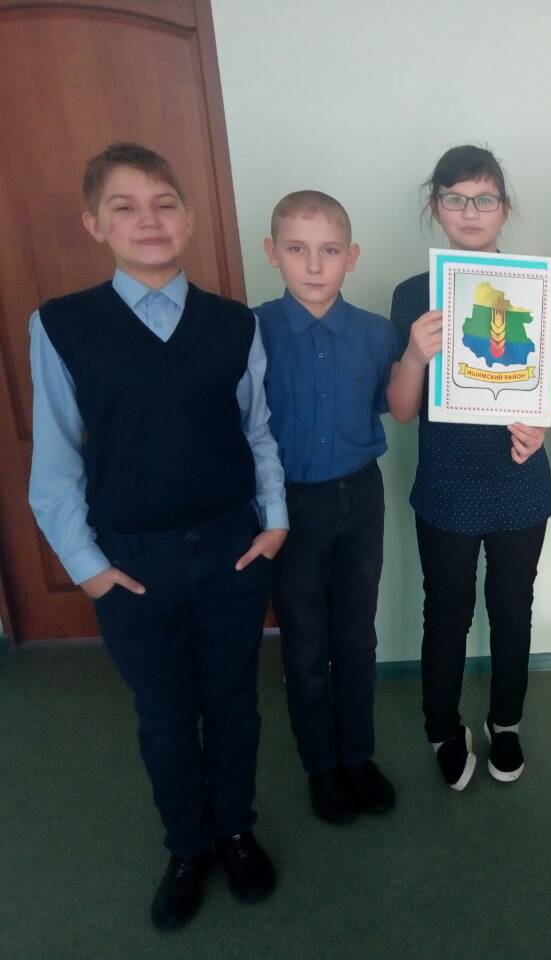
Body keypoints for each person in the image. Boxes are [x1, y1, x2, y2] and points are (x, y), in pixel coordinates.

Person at [28, 143, 287, 928]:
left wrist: (274, 522)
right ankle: (187, 847)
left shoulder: (233, 324)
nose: (149, 220)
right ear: (95, 224)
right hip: (132, 564)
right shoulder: (63, 326)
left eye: (164, 203)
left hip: (232, 549)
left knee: (233, 704)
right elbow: (55, 458)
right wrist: (87, 566)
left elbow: (258, 433)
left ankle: (235, 829)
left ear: (190, 217)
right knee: (166, 716)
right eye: (125, 207)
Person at [387, 145, 551, 791]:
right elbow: (402, 411)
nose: (471, 211)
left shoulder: (537, 287)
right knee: (447, 613)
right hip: (446, 484)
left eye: (484, 198)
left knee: (512, 610)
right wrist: (414, 354)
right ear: (437, 208)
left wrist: (544, 425)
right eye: (456, 198)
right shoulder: (413, 294)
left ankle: (505, 722)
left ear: (504, 208)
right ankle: (443, 727)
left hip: (519, 479)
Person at [256, 190, 400, 824]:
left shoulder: (376, 333)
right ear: (272, 253)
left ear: (352, 256)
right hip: (289, 506)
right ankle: (321, 765)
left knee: (357, 636)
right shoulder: (251, 331)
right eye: (297, 249)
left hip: (361, 497)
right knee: (306, 643)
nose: (314, 265)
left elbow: (394, 404)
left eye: (330, 250)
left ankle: (357, 755)